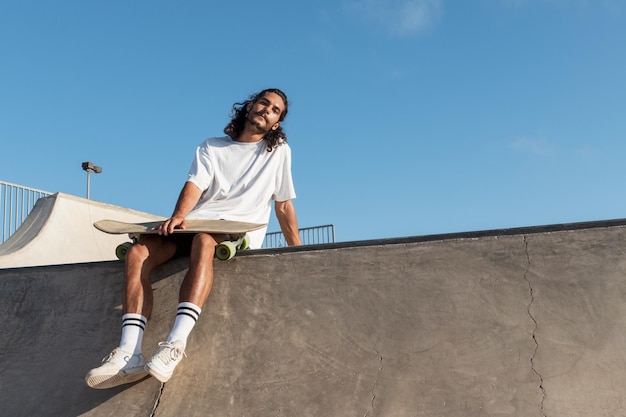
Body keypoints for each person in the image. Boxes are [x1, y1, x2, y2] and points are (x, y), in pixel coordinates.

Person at [86, 88, 301, 389]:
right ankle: (128, 353)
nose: (267, 110)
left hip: (236, 229)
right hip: (199, 220)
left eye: (276, 110)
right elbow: (195, 184)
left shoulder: (277, 152)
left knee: (204, 241)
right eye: (264, 103)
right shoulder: (212, 146)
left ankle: (174, 344)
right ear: (251, 106)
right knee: (138, 253)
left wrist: (298, 252)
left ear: (276, 124)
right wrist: (178, 215)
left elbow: (284, 204)